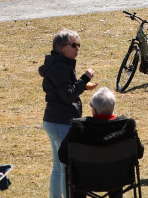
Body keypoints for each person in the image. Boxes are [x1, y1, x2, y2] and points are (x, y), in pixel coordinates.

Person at [40, 29, 97, 198]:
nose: (77, 48)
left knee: (58, 166)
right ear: (61, 47)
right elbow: (67, 95)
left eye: (79, 44)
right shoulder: (60, 67)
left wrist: (82, 86)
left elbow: (63, 89)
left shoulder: (59, 64)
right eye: (73, 45)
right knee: (66, 167)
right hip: (60, 121)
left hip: (54, 120)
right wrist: (84, 79)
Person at [58, 87, 144, 196]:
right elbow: (139, 153)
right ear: (113, 108)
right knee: (116, 168)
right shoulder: (125, 127)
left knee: (73, 172)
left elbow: (62, 156)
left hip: (84, 180)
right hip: (118, 179)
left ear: (93, 109)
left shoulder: (79, 128)